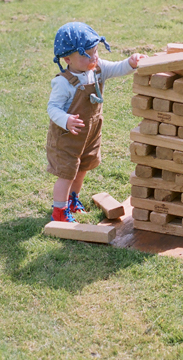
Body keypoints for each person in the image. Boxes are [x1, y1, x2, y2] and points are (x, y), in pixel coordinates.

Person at [46, 21, 146, 222]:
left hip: (89, 134)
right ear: (68, 59)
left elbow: (118, 68)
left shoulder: (98, 69)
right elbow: (53, 108)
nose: (95, 57)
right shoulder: (63, 82)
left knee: (82, 169)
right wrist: (66, 120)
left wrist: (131, 62)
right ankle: (59, 211)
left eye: (96, 51)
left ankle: (72, 200)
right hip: (68, 137)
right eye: (87, 54)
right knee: (67, 173)